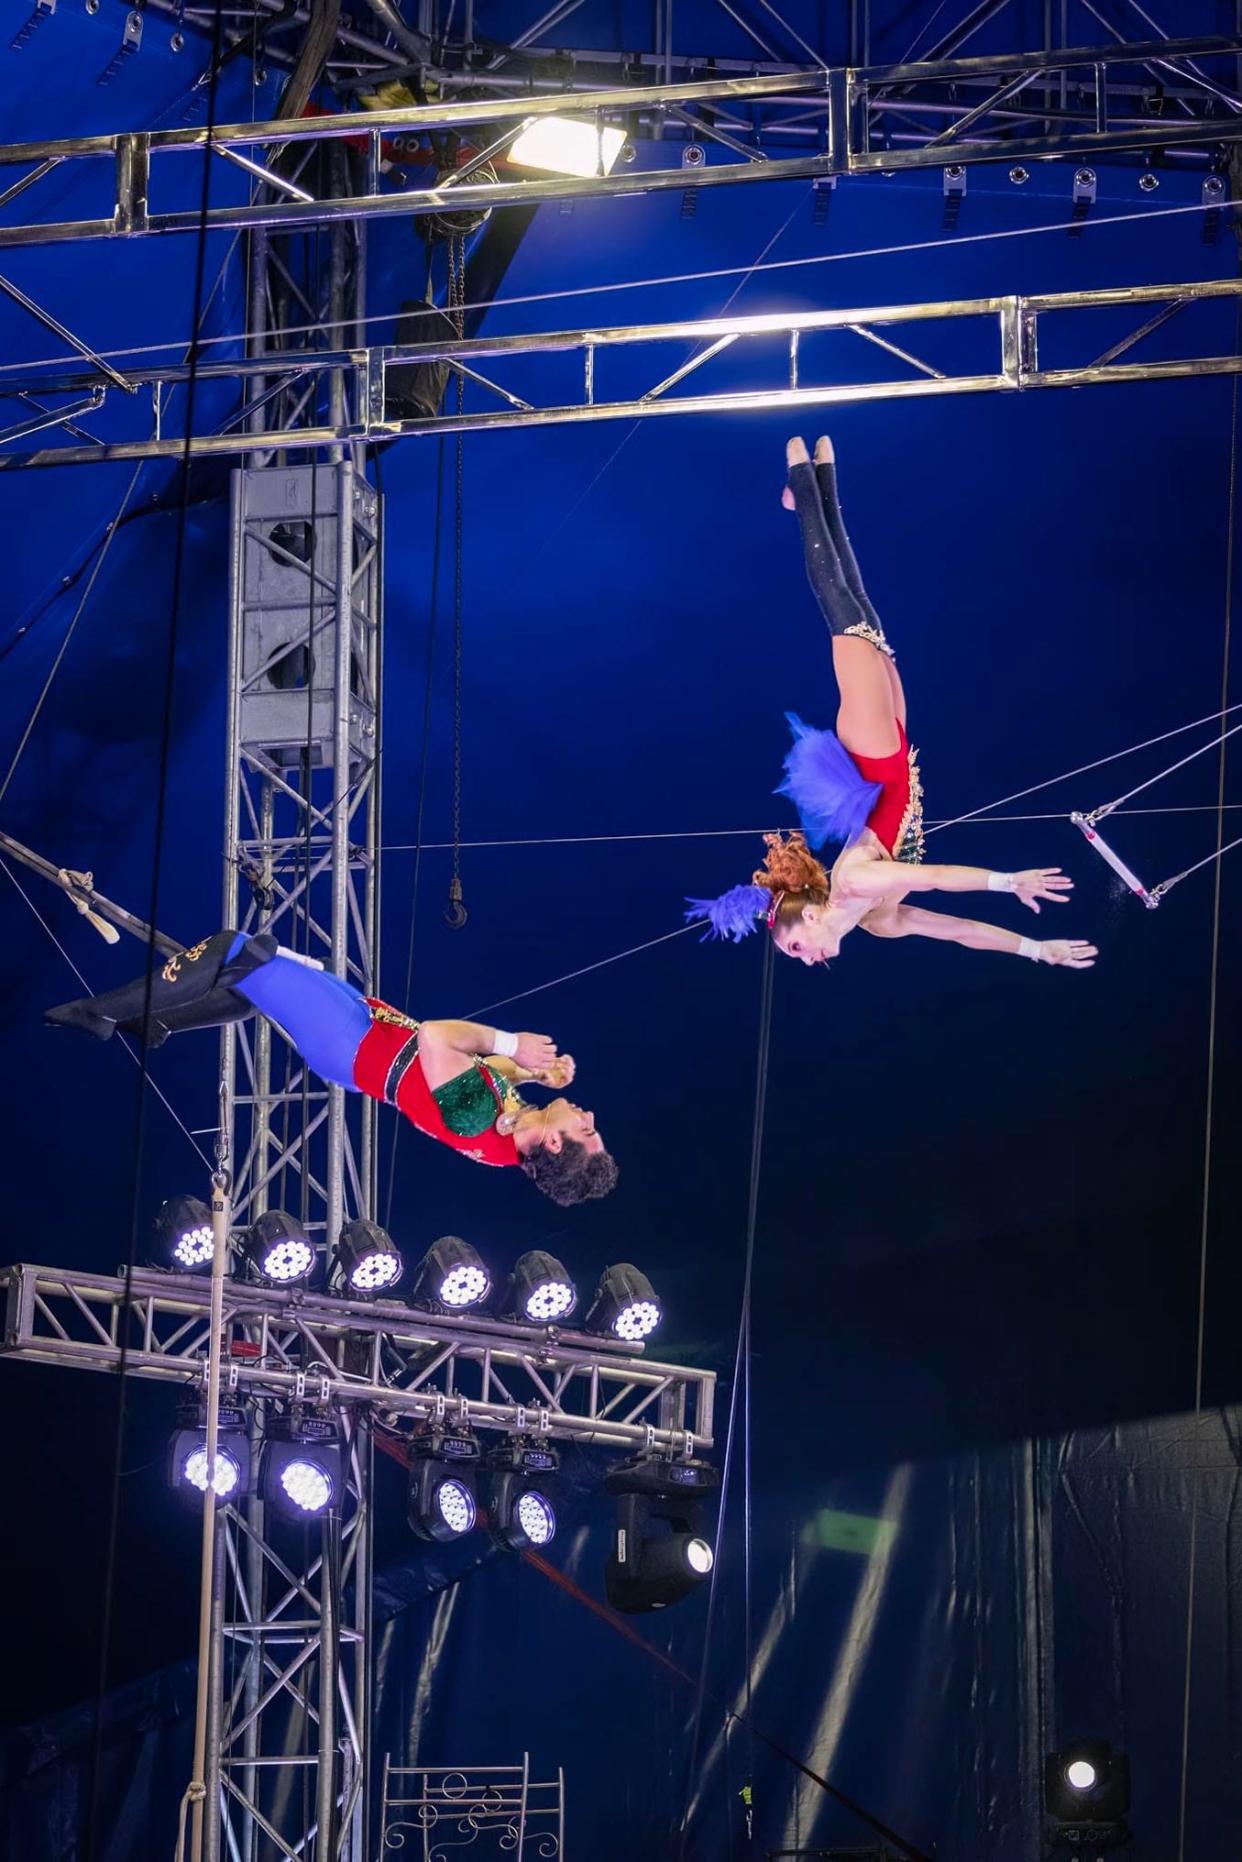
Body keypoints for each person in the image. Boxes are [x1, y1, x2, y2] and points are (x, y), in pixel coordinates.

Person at [686, 437, 1098, 972]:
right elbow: (955, 931)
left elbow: (935, 877)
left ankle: (803, 482)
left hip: (875, 757)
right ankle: (822, 479)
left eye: (794, 950)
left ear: (809, 920)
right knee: (863, 617)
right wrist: (1036, 949)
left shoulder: (853, 883)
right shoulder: (877, 920)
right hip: (896, 754)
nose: (805, 960)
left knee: (842, 612)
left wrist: (1009, 882)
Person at [46, 930, 617, 1205]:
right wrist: (528, 1073)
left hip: (351, 1040)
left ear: (557, 1146)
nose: (588, 1113)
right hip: (362, 1035)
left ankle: (100, 1014)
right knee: (250, 988)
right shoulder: (506, 1130)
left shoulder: (478, 1125)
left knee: (236, 952)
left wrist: (513, 1043)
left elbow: (437, 1038)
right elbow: (478, 1074)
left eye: (584, 1129)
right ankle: (159, 1021)